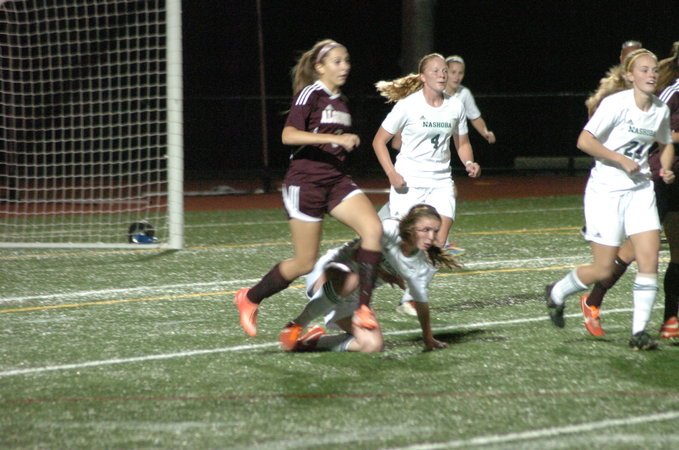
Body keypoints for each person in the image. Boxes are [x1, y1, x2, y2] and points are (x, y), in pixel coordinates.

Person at [234, 39, 383, 337]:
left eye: (347, 61)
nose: (345, 66)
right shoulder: (310, 93)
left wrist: (342, 143)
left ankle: (364, 309)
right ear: (320, 67)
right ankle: (250, 298)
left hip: (336, 181)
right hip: (306, 183)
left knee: (373, 230)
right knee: (304, 262)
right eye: (337, 61)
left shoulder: (341, 101)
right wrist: (336, 139)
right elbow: (288, 135)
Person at [545, 48, 675, 351]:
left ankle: (639, 333)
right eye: (643, 70)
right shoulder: (616, 104)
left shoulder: (660, 109)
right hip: (606, 190)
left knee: (649, 259)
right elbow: (584, 141)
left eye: (654, 69)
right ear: (630, 76)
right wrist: (618, 158)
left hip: (640, 190)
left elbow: (666, 143)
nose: (651, 74)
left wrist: (666, 168)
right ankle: (557, 291)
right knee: (603, 269)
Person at [579, 42, 679, 339]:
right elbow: (662, 135)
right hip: (658, 177)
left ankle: (670, 319)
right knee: (634, 251)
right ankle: (593, 300)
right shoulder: (671, 92)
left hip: (674, 176)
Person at [371, 53, 481, 316]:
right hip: (409, 182)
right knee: (404, 243)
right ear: (422, 77)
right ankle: (372, 277)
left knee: (438, 241)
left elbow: (462, 143)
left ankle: (410, 298)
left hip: (441, 181)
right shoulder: (407, 106)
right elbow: (378, 142)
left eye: (444, 70)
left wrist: (469, 162)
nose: (442, 75)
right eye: (436, 71)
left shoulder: (455, 106)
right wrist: (391, 173)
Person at [278, 204, 458, 353]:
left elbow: (421, 303)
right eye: (425, 230)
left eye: (435, 231)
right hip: (331, 272)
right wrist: (384, 274)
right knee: (353, 278)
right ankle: (297, 325)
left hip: (354, 297)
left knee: (372, 346)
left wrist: (428, 338)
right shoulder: (389, 229)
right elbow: (356, 255)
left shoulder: (420, 265)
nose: (431, 237)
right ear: (410, 227)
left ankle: (309, 342)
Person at [444, 55, 496, 144]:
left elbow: (475, 118)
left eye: (460, 73)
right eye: (453, 72)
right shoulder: (434, 91)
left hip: (453, 141)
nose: (457, 77)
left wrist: (485, 132)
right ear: (445, 72)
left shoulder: (465, 93)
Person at [585, 40, 643, 118]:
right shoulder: (610, 86)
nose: (632, 62)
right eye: (628, 58)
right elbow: (594, 110)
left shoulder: (652, 85)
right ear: (621, 59)